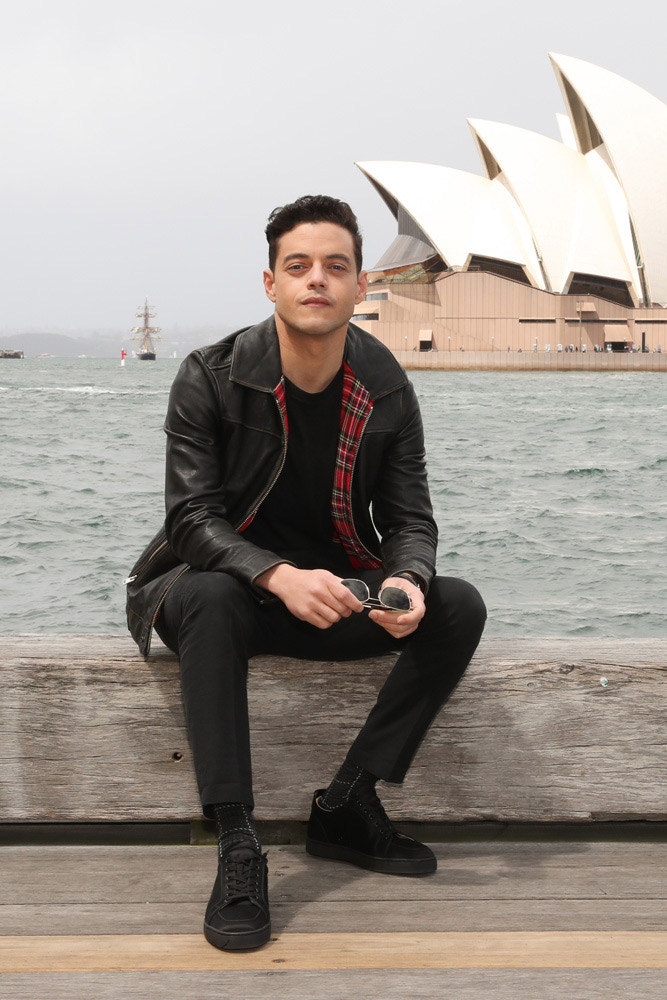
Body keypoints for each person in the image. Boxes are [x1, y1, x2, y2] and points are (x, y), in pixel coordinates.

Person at [125, 195, 486, 952]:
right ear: (271, 283)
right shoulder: (210, 375)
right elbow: (191, 520)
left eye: (335, 266)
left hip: (332, 596)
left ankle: (348, 804)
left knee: (457, 604)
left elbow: (411, 520)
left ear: (360, 286)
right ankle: (237, 845)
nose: (316, 279)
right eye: (298, 266)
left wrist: (407, 579)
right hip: (216, 593)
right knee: (215, 595)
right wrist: (277, 574)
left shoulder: (386, 386)